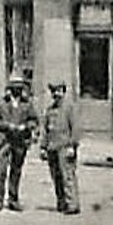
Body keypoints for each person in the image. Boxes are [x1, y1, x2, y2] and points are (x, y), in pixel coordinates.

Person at [0, 74, 38, 212]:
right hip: (4, 140)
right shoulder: (1, 103)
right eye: (14, 87)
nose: (17, 90)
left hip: (20, 141)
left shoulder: (27, 104)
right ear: (9, 88)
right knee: (1, 171)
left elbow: (34, 120)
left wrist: (26, 126)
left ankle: (13, 199)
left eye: (19, 88)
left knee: (16, 171)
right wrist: (7, 126)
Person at [41, 81, 81, 215]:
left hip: (65, 147)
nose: (55, 94)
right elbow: (45, 130)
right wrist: (43, 147)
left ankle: (72, 204)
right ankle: (61, 202)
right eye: (53, 91)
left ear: (64, 91)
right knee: (56, 176)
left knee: (67, 175)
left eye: (58, 90)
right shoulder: (50, 110)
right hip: (52, 147)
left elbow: (75, 128)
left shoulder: (70, 108)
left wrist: (72, 146)